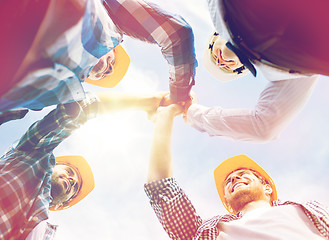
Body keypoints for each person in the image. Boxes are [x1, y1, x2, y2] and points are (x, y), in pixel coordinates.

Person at [0, 90, 166, 239]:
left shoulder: (43, 233)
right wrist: (149, 101)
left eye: (75, 188)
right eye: (70, 171)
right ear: (54, 164)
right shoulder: (34, 154)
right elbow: (78, 110)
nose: (72, 180)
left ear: (62, 204)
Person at [144, 105, 329, 239]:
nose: (234, 178)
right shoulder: (207, 232)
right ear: (227, 203)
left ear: (267, 188)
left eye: (243, 173)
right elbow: (161, 188)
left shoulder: (307, 210)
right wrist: (165, 116)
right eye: (228, 181)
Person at [0, 0, 196, 121]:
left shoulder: (58, 96)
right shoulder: (107, 13)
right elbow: (176, 34)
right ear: (116, 43)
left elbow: (90, 108)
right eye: (113, 59)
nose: (108, 68)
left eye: (102, 75)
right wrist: (178, 95)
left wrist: (153, 103)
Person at [182, 0, 325, 142]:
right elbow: (264, 127)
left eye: (214, 57)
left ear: (214, 37)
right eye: (226, 68)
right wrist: (192, 113)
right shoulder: (286, 71)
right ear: (244, 68)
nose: (220, 61)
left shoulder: (218, 7)